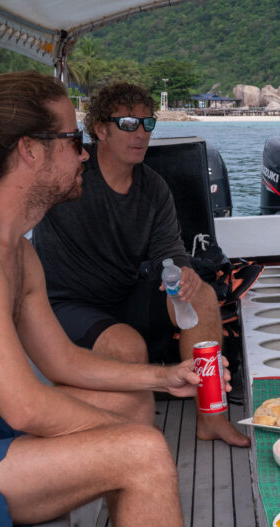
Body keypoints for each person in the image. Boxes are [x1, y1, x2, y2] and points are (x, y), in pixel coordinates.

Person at [0, 71, 230, 527]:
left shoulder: (19, 252)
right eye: (72, 140)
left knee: (132, 405)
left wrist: (166, 376)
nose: (83, 154)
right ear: (30, 150)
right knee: (142, 450)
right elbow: (23, 407)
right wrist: (124, 436)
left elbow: (62, 362)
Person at [31, 82, 249, 447]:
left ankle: (211, 416)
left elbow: (169, 251)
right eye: (129, 123)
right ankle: (134, 444)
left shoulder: (153, 188)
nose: (141, 133)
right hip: (65, 303)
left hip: (122, 295)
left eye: (148, 123)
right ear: (100, 129)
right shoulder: (69, 173)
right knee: (127, 346)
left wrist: (182, 272)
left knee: (203, 297)